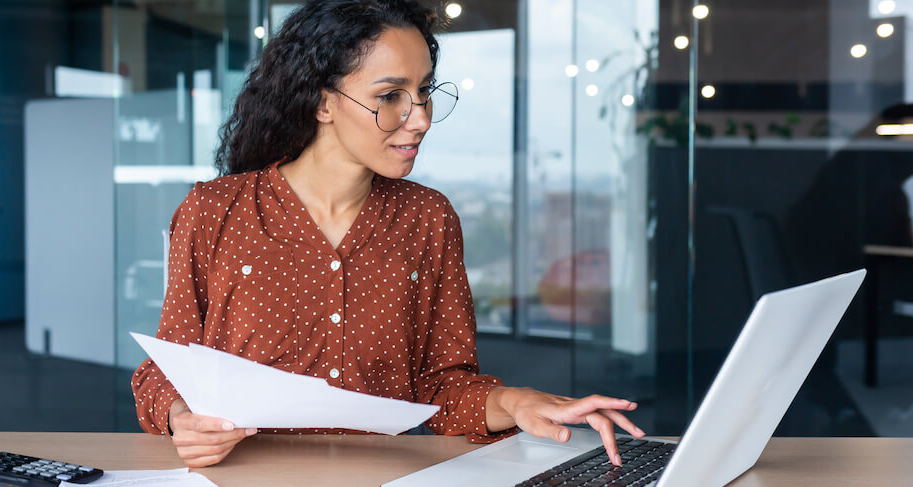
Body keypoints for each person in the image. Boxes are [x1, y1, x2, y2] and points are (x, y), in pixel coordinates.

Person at [131, 0, 643, 468]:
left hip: (389, 477)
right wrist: (181, 416)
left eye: (424, 92)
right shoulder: (216, 210)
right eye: (390, 95)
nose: (419, 118)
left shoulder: (428, 218)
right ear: (322, 102)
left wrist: (517, 401)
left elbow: (444, 389)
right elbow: (166, 369)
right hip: (243, 475)